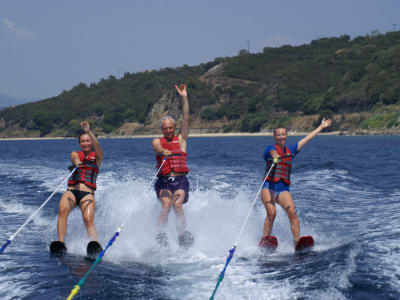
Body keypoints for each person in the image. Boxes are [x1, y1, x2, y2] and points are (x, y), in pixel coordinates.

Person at [260, 118, 332, 248]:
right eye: (278, 135)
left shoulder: (291, 150)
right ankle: (265, 240)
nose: (281, 136)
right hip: (268, 187)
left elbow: (306, 139)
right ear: (275, 137)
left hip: (282, 188)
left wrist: (321, 127)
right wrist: (275, 156)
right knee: (272, 213)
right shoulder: (270, 148)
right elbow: (271, 152)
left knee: (292, 212)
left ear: (286, 136)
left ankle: (297, 242)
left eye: (283, 134)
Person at [152, 84, 193, 248]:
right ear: (162, 130)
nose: (168, 130)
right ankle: (161, 234)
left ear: (174, 128)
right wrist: (164, 151)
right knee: (166, 204)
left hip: (180, 181)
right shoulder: (157, 141)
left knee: (177, 204)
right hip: (164, 182)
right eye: (165, 128)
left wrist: (184, 97)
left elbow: (186, 118)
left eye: (171, 127)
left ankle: (182, 235)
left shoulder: (182, 140)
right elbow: (157, 148)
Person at [54, 121, 103, 251]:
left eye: (88, 141)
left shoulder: (97, 157)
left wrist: (88, 131)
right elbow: (74, 158)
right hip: (72, 191)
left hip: (87, 194)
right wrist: (77, 163)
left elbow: (97, 146)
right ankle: (60, 243)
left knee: (88, 219)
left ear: (91, 142)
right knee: (62, 211)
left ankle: (94, 245)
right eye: (83, 141)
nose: (85, 143)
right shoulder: (75, 154)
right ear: (80, 143)